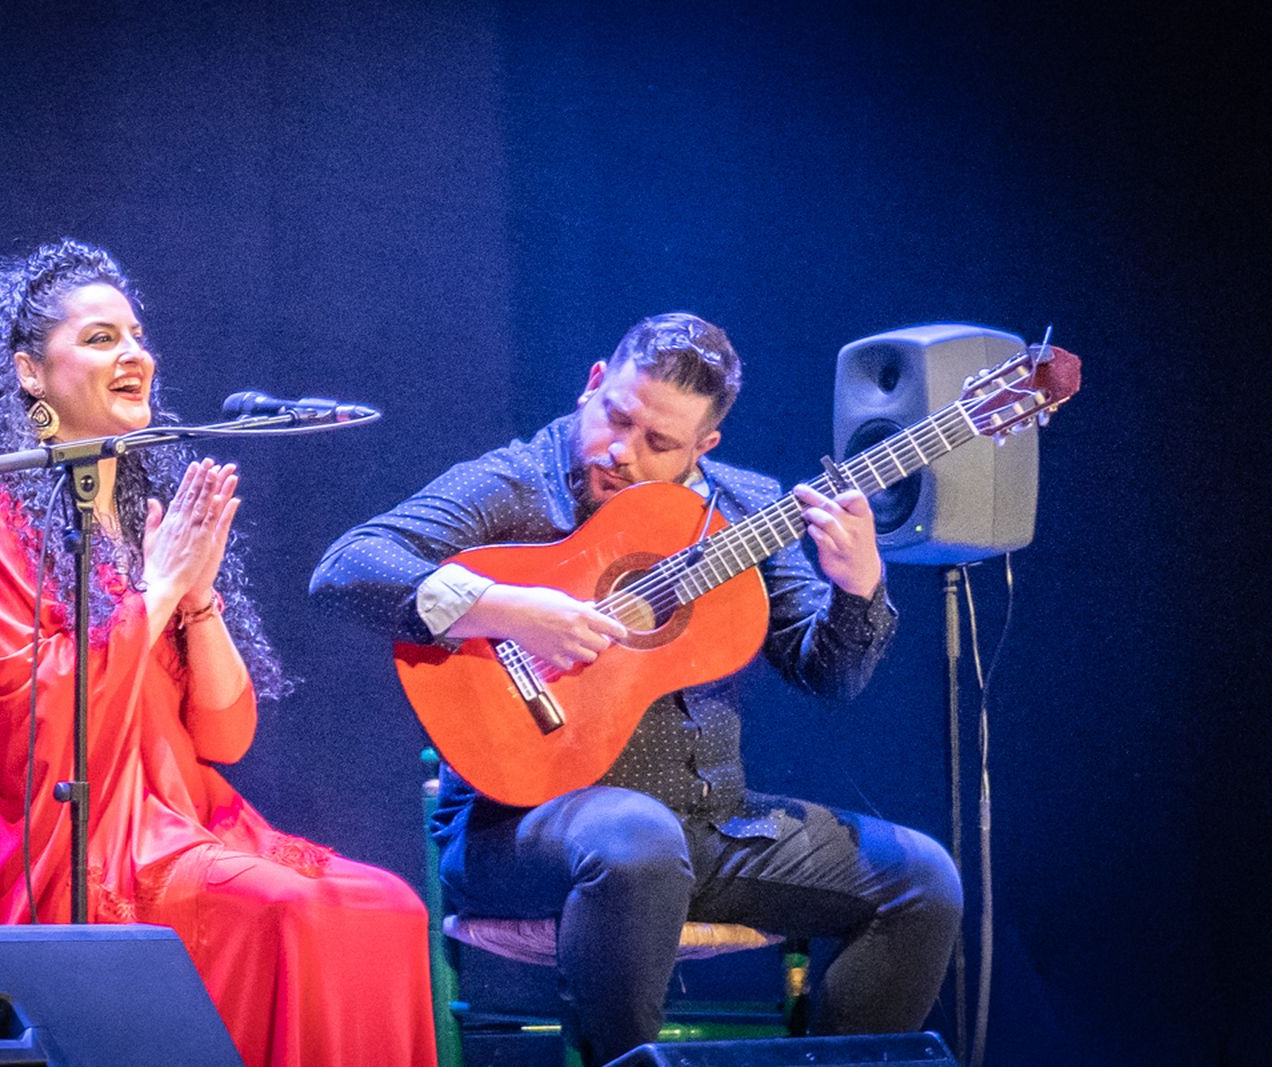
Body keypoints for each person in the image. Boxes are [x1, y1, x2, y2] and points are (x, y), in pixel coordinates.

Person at [310, 312, 962, 1066]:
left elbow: (831, 675)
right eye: (616, 416)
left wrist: (858, 589)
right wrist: (511, 608)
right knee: (636, 841)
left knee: (922, 881)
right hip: (517, 830)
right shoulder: (517, 482)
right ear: (594, 383)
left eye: (659, 443)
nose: (621, 451)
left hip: (710, 829)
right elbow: (347, 567)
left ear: (703, 448)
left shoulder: (743, 506)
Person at [0, 238, 435, 1066]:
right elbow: (30, 724)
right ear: (30, 373)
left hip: (177, 821)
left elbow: (223, 739)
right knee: (297, 912)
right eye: (102, 337)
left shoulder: (145, 513)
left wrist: (198, 593)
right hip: (57, 846)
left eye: (138, 335)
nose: (135, 353)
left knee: (389, 905)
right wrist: (159, 589)